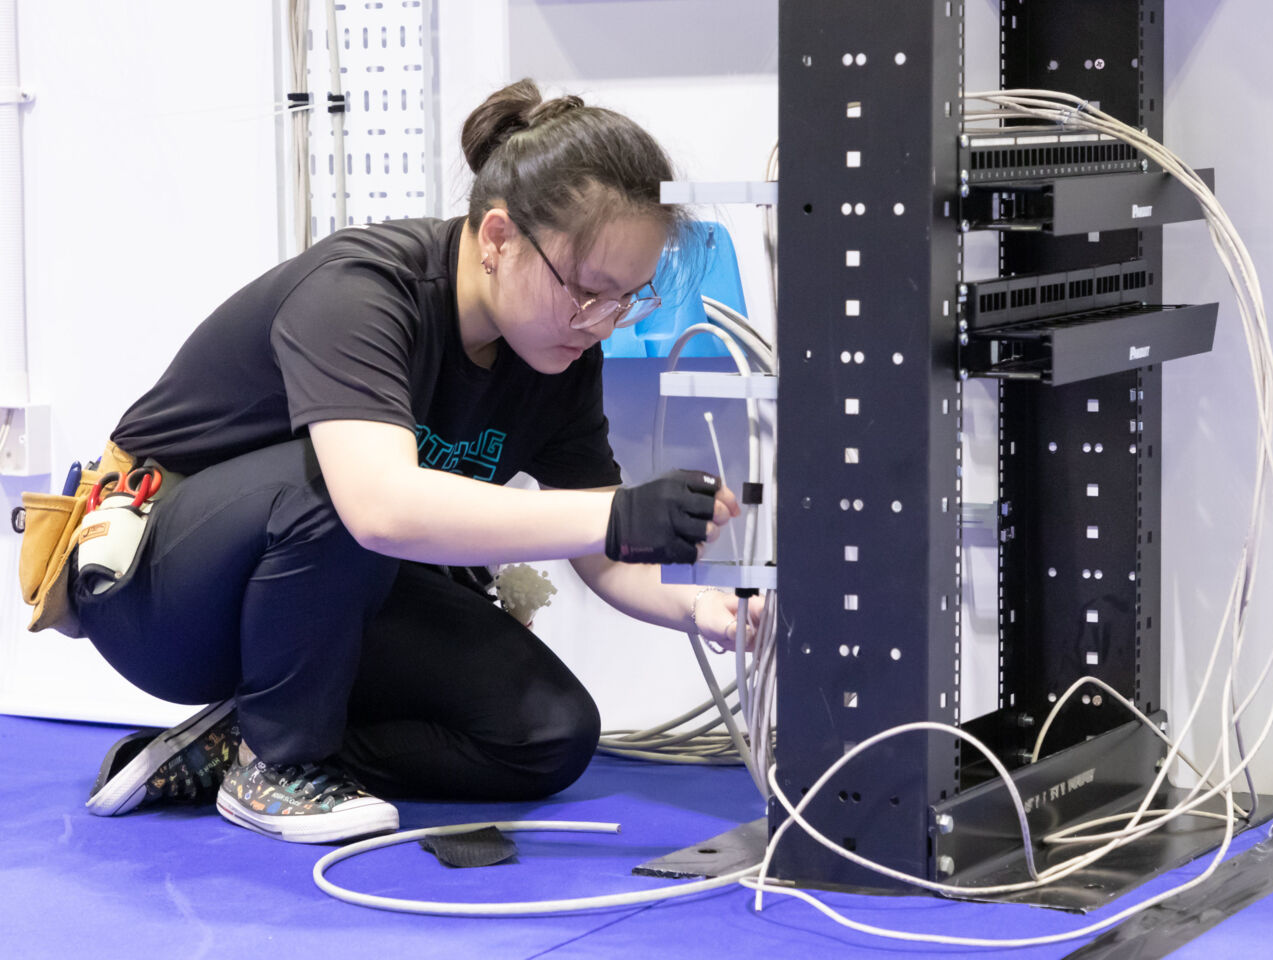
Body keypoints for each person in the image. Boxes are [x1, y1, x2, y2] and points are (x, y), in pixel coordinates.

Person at [75, 79, 761, 844]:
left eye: (626, 300)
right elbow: (380, 506)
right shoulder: (363, 292)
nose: (599, 323)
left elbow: (600, 551)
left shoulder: (561, 356)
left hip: (328, 590)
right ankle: (278, 759)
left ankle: (238, 745)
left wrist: (705, 607)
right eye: (587, 291)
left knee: (548, 732)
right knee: (335, 495)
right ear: (498, 239)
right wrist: (620, 512)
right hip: (156, 593)